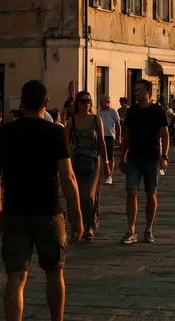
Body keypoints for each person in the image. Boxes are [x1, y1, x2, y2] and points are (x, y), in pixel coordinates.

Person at [0, 80, 83, 321]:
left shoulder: (5, 132)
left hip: (15, 211)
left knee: (16, 277)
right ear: (46, 103)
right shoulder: (56, 132)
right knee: (54, 272)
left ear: (21, 103)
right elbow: (68, 176)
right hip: (48, 211)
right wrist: (77, 215)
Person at [119, 79, 169, 244]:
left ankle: (148, 228)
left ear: (148, 92)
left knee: (151, 194)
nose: (136, 92)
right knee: (131, 191)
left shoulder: (157, 110)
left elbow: (164, 134)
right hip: (134, 157)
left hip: (152, 158)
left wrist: (165, 156)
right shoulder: (132, 111)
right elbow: (126, 135)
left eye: (139, 90)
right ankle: (131, 230)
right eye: (135, 90)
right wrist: (122, 156)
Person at [66, 90, 107, 242]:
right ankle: (76, 226)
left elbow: (102, 142)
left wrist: (107, 162)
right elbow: (66, 144)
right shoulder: (72, 121)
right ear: (77, 103)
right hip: (76, 162)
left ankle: (89, 227)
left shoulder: (97, 120)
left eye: (89, 101)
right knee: (75, 195)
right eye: (83, 101)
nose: (87, 104)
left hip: (93, 162)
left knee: (89, 196)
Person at [96, 96, 121, 185]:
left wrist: (118, 136)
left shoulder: (113, 111)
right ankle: (100, 174)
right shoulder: (98, 111)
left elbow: (118, 125)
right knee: (99, 156)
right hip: (99, 136)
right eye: (101, 101)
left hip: (109, 136)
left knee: (110, 156)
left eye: (102, 101)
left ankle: (109, 176)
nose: (100, 103)